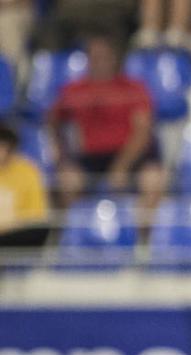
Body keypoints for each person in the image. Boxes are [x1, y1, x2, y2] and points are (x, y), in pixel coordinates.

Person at [47, 32, 166, 220]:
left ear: (114, 59)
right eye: (94, 57)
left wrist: (121, 167)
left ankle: (142, 241)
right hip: (90, 158)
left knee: (154, 179)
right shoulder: (74, 90)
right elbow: (53, 121)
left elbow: (143, 131)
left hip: (130, 158)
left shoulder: (134, 88)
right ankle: (78, 235)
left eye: (104, 56)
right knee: (67, 180)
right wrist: (62, 153)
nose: (99, 61)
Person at [0, 122, 50, 255]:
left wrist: (10, 224)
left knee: (39, 231)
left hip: (16, 232)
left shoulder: (27, 170)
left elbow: (35, 214)